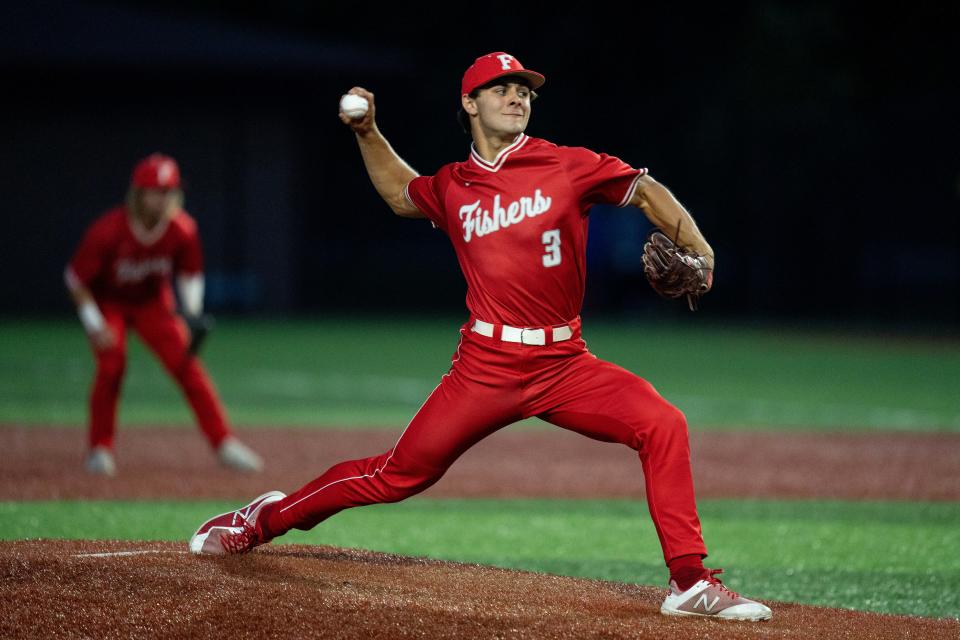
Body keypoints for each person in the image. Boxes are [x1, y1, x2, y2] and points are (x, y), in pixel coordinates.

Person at [189, 53, 771, 622]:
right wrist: (367, 130)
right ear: (469, 103)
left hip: (565, 364)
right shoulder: (454, 186)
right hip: (484, 367)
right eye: (501, 88)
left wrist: (700, 248)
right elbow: (401, 193)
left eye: (524, 90)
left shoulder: (566, 165)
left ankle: (690, 581)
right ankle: (260, 520)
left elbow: (645, 189)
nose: (518, 96)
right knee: (394, 477)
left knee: (662, 422)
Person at [65, 153, 263, 476]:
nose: (164, 198)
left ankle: (224, 442)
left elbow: (190, 274)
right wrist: (94, 323)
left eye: (169, 191)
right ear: (138, 194)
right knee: (111, 365)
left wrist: (193, 314)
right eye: (156, 191)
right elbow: (74, 279)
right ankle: (100, 449)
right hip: (109, 302)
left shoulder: (181, 229)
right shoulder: (109, 230)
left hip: (151, 303)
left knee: (188, 365)